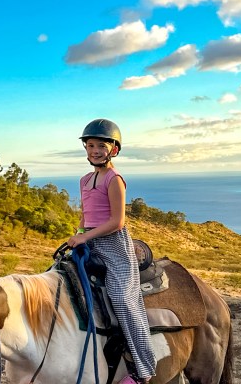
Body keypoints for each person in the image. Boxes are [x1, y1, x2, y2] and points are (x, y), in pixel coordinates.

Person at [65, 118, 156, 384]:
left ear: (114, 149)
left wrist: (86, 237)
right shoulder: (84, 180)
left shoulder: (114, 179)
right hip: (90, 240)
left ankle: (142, 371)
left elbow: (118, 222)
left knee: (123, 299)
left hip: (114, 245)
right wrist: (78, 236)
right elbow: (85, 216)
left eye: (100, 146)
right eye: (90, 145)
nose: (94, 150)